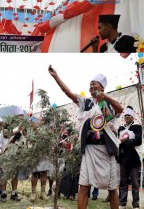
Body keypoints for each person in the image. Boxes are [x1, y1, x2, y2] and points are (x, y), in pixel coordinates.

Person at [49, 65, 123, 209]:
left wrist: (106, 97)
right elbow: (69, 93)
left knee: (112, 188)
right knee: (83, 186)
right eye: (90, 83)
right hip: (89, 150)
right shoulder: (86, 103)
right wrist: (56, 77)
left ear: (102, 87)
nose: (91, 84)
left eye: (94, 83)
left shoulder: (108, 102)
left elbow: (120, 109)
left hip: (106, 151)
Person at [118, 106, 142, 209]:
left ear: (133, 117)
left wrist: (125, 141)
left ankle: (135, 204)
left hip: (134, 159)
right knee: (123, 182)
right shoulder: (120, 128)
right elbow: (117, 142)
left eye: (129, 115)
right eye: (126, 115)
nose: (127, 117)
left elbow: (138, 140)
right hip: (123, 159)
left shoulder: (137, 127)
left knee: (135, 183)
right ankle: (122, 203)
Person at [0, 106, 24, 203]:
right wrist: (19, 129)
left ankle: (14, 193)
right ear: (15, 116)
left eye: (22, 116)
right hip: (7, 151)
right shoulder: (8, 124)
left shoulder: (22, 126)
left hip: (17, 153)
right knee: (5, 173)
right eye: (19, 116)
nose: (21, 118)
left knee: (15, 174)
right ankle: (4, 193)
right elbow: (6, 134)